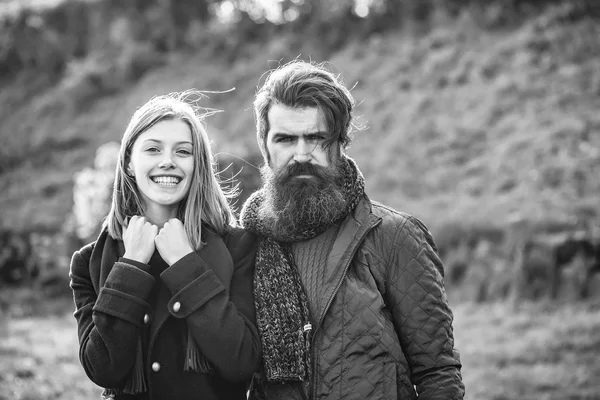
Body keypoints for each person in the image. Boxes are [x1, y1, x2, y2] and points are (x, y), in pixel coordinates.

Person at [240, 60, 465, 399]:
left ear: (340, 143)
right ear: (265, 146)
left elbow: (438, 372)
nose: (301, 155)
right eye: (285, 139)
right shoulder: (248, 243)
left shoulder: (394, 236)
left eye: (316, 138)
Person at [69, 92, 260, 400]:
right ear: (130, 163)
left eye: (183, 152)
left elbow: (241, 363)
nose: (168, 162)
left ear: (197, 165)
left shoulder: (239, 247)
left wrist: (186, 264)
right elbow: (102, 369)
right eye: (153, 149)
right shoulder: (89, 262)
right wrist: (131, 266)